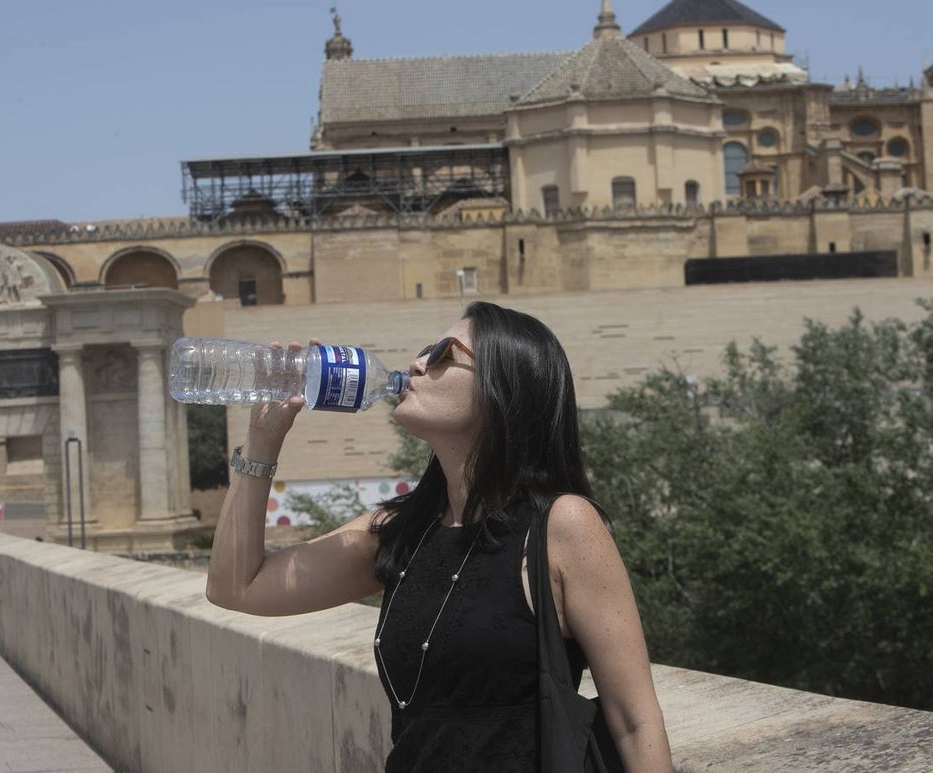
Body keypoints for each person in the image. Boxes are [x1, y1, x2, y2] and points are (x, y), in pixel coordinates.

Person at [206, 301, 672, 772]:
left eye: (445, 354)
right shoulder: (400, 531)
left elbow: (634, 719)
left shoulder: (561, 525)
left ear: (502, 391)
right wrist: (263, 439)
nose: (416, 363)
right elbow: (236, 587)